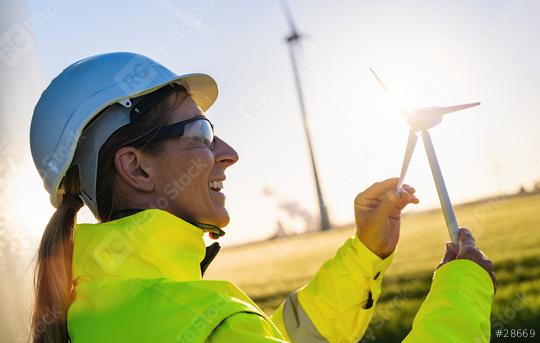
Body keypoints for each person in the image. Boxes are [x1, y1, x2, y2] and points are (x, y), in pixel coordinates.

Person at [29, 52, 495, 343]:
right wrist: (465, 289)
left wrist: (364, 254)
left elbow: (278, 337)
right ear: (137, 167)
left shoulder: (102, 307)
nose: (228, 154)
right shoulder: (208, 324)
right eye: (200, 133)